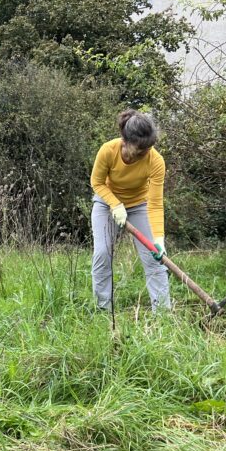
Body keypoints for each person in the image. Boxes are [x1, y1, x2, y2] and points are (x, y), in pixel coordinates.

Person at [90, 110, 170, 311]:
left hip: (139, 205)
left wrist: (158, 239)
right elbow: (97, 182)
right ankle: (103, 310)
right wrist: (115, 204)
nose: (146, 153)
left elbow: (155, 203)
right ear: (126, 141)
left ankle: (162, 314)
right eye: (141, 149)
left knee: (154, 258)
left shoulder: (156, 161)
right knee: (102, 253)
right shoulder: (108, 151)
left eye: (149, 148)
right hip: (106, 204)